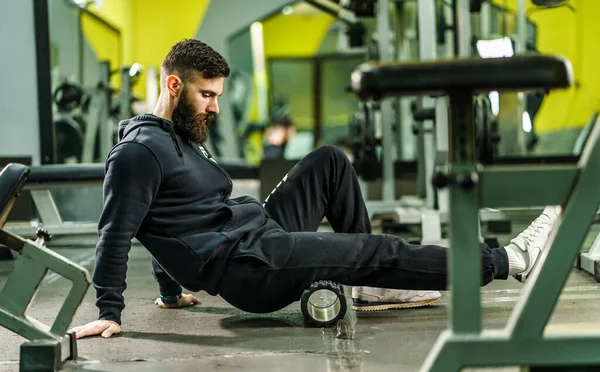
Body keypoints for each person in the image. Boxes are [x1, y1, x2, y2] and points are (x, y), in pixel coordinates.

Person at [71, 39, 561, 339]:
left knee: (328, 161)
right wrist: (109, 311)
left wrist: (170, 293)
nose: (215, 107)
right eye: (207, 95)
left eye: (218, 96)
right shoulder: (139, 152)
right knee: (376, 248)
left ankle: (368, 283)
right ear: (174, 86)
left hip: (257, 230)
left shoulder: (180, 137)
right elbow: (118, 231)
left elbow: (170, 215)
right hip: (250, 269)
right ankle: (508, 261)